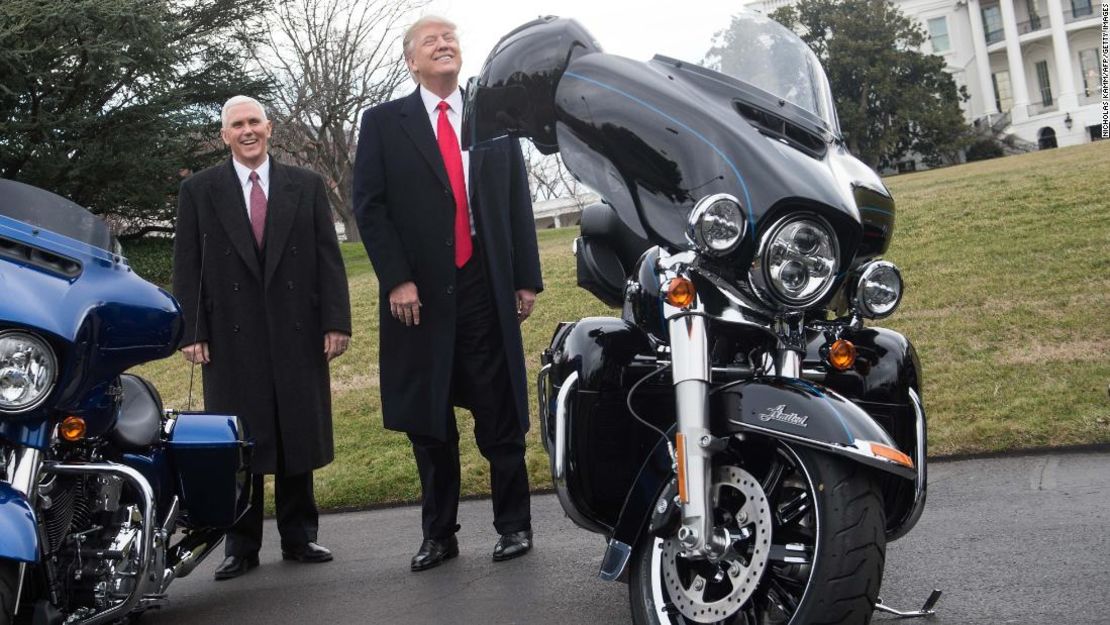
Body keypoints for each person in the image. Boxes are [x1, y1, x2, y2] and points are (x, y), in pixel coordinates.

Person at [353, 15, 543, 572]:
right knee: (429, 421)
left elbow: (517, 199)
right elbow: (370, 206)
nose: (444, 45)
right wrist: (397, 279)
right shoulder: (385, 123)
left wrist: (525, 277)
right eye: (430, 41)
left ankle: (514, 526)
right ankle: (439, 534)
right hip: (419, 296)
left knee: (499, 411)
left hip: (484, 283)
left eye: (450, 39)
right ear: (411, 61)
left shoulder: (492, 119)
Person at [173, 95, 352, 581]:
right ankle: (240, 545)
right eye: (237, 125)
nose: (247, 131)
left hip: (297, 326)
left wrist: (336, 322)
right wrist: (192, 331)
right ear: (224, 135)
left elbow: (328, 261)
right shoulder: (200, 191)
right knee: (238, 441)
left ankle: (300, 537)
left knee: (296, 430)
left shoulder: (306, 186)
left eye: (254, 121)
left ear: (269, 128)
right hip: (231, 333)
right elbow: (187, 266)